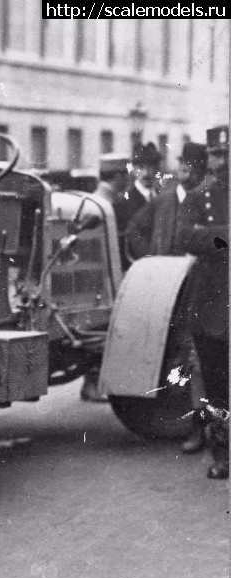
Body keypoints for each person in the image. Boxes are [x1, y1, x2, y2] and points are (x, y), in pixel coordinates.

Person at [123, 142, 210, 451]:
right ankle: (197, 429)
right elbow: (134, 229)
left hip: (206, 288)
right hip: (170, 293)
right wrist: (153, 263)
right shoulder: (164, 202)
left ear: (201, 171)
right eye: (182, 165)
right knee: (186, 356)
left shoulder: (211, 202)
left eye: (191, 167)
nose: (185, 171)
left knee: (205, 358)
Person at [175, 126, 229, 480]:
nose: (221, 161)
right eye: (215, 154)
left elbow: (200, 236)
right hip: (212, 303)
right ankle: (222, 453)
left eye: (226, 154)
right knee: (215, 385)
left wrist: (213, 235)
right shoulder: (196, 196)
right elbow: (185, 237)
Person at [113, 142, 162, 270]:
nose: (146, 173)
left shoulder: (163, 198)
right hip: (136, 270)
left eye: (151, 168)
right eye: (141, 167)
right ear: (133, 170)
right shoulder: (123, 203)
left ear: (157, 170)